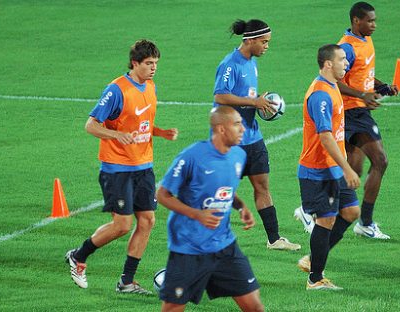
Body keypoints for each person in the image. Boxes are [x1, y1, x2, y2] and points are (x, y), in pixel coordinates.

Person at [65, 39, 178, 294]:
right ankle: (78, 257)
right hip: (117, 169)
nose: (153, 68)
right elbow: (91, 125)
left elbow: (141, 125)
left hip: (143, 166)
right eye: (149, 63)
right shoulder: (116, 90)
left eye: (156, 63)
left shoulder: (150, 87)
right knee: (122, 225)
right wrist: (117, 136)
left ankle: (127, 281)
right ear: (135, 63)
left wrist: (160, 132)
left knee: (147, 221)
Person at [294, 2, 398, 239]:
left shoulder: (364, 40)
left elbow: (360, 75)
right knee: (380, 161)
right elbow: (336, 79)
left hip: (355, 110)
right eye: (369, 21)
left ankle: (308, 208)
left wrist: (380, 86)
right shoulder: (347, 47)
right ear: (355, 21)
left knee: (354, 169)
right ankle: (365, 222)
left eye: (374, 20)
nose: (374, 24)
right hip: (352, 112)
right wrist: (362, 95)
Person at [157, 105, 264, 312]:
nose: (243, 129)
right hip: (189, 248)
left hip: (224, 246)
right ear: (221, 129)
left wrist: (241, 206)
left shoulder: (238, 156)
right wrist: (197, 214)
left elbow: (223, 190)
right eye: (237, 124)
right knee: (172, 307)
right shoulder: (192, 157)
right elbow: (162, 194)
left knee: (254, 306)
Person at [213, 18, 300, 251]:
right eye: (264, 41)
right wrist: (254, 101)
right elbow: (220, 96)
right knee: (222, 191)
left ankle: (274, 239)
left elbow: (245, 94)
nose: (267, 46)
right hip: (232, 139)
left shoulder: (251, 62)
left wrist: (258, 100)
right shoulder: (230, 64)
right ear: (250, 40)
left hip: (253, 136)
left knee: (262, 187)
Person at [296, 44, 361, 290]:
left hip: (333, 169)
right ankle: (315, 278)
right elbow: (325, 137)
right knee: (325, 221)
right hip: (319, 171)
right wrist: (347, 168)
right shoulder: (320, 94)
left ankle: (313, 259)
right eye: (342, 59)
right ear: (328, 64)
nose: (347, 63)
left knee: (351, 212)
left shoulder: (333, 87)